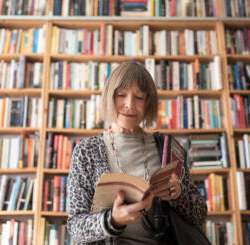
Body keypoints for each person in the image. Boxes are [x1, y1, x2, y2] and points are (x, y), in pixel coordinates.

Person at [67, 61, 208, 244]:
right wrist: (112, 220)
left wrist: (179, 195)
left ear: (148, 101)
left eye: (139, 97)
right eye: (121, 95)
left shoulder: (168, 147)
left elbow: (200, 215)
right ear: (110, 97)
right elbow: (75, 227)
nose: (129, 104)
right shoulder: (86, 151)